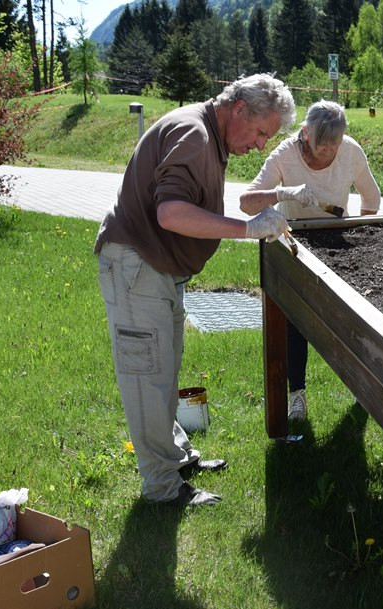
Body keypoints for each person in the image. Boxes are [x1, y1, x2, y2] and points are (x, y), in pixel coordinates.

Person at [95, 74, 296, 507]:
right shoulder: (193, 133)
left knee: (164, 370)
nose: (261, 145)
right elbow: (170, 213)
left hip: (156, 269)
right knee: (147, 379)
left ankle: (177, 458)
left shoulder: (208, 135)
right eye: (262, 132)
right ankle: (163, 490)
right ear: (240, 108)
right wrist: (247, 228)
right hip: (137, 267)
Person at [239, 100, 381, 421]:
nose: (329, 152)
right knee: (295, 321)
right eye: (322, 145)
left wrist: (359, 237)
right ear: (305, 133)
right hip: (295, 245)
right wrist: (283, 194)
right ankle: (297, 395)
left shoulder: (351, 152)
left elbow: (371, 198)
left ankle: (362, 387)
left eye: (335, 144)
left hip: (337, 245)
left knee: (350, 320)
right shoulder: (285, 155)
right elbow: (246, 202)